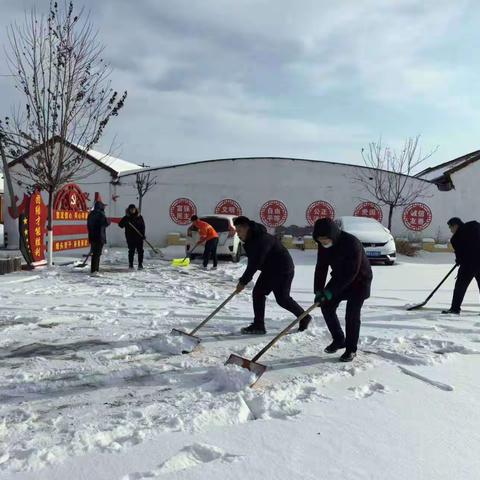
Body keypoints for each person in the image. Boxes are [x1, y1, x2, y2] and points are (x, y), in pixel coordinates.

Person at [233, 216, 312, 334]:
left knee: (276, 297)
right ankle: (302, 317)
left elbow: (255, 263)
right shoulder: (250, 240)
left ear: (247, 228)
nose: (238, 234)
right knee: (270, 296)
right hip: (271, 269)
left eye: (239, 230)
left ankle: (260, 326)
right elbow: (253, 262)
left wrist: (243, 281)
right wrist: (244, 280)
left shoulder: (261, 239)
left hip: (281, 269)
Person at [313, 218, 372, 362]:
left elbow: (351, 273)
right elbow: (321, 267)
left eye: (325, 239)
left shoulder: (352, 243)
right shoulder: (324, 245)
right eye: (320, 240)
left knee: (351, 315)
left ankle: (351, 349)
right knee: (326, 306)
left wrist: (330, 291)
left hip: (359, 281)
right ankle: (339, 339)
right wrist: (319, 291)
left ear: (333, 235)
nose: (323, 242)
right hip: (339, 278)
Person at [442, 217, 480, 314]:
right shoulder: (474, 226)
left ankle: (455, 308)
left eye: (450, 227)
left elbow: (459, 254)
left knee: (460, 287)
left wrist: (459, 260)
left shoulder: (455, 239)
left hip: (468, 265)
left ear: (456, 225)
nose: (450, 230)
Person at [119, 204, 146, 270]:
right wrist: (125, 222)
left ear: (135, 209)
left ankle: (140, 264)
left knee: (140, 251)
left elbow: (143, 226)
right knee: (131, 251)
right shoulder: (126, 217)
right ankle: (131, 265)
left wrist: (143, 235)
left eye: (133, 209)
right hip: (130, 237)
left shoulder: (139, 217)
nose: (132, 210)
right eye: (131, 209)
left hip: (139, 236)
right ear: (129, 210)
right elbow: (120, 225)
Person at [87, 201, 110, 275]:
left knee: (94, 254)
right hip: (100, 237)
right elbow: (105, 223)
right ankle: (95, 270)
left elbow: (89, 225)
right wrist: (109, 221)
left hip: (92, 236)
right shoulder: (101, 214)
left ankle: (93, 269)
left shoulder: (90, 214)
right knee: (97, 254)